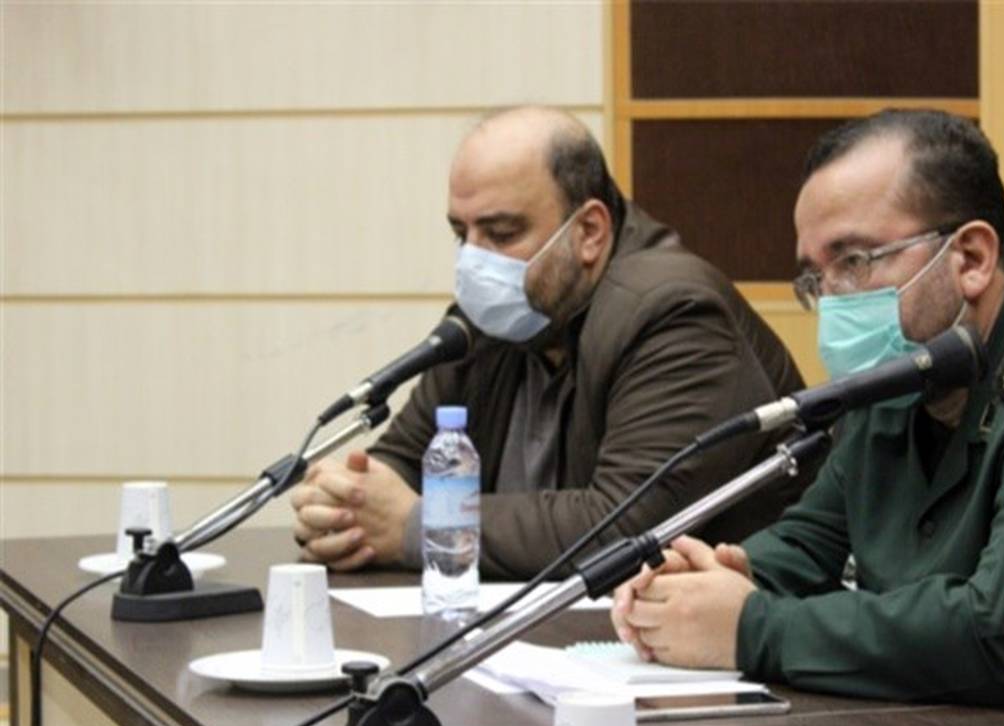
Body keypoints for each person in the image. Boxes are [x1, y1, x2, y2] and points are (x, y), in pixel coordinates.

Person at [610, 109, 1004, 726]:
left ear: (971, 259)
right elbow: (809, 542)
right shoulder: (906, 381)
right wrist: (710, 581)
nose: (833, 299)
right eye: (816, 277)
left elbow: (1000, 637)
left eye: (854, 261)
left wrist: (750, 628)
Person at [290, 106, 814, 579]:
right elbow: (409, 459)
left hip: (727, 631)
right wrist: (347, 503)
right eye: (461, 235)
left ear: (589, 231)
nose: (474, 262)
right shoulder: (488, 322)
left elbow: (619, 526)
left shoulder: (673, 313)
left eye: (501, 234)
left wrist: (421, 525)